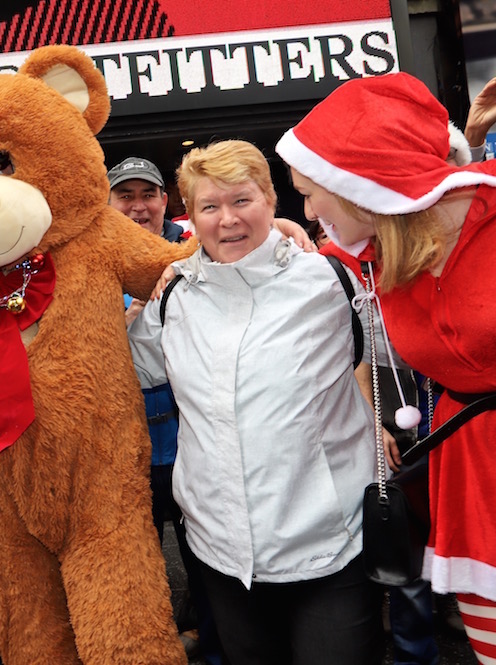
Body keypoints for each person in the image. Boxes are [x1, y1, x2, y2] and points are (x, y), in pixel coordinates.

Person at [128, 139, 382, 665]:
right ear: (190, 216)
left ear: (272, 199)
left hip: (328, 545)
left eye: (242, 200)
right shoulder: (172, 297)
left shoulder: (330, 281)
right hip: (221, 554)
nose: (227, 220)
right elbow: (125, 370)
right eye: (209, 207)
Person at [276, 71, 496, 663]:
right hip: (471, 468)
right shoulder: (369, 252)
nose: (308, 208)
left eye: (309, 191)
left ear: (360, 185)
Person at [107, 156, 222, 664]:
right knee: (140, 547)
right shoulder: (93, 259)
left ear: (164, 201)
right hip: (126, 427)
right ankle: (153, 642)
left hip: (189, 420)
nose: (137, 207)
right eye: (124, 196)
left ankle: (211, 634)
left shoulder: (193, 246)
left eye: (147, 195)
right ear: (106, 203)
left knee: (202, 541)